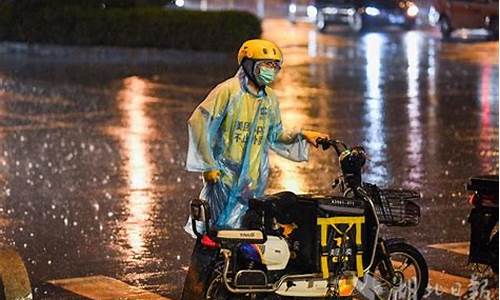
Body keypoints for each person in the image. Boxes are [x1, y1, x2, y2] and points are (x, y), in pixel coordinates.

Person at [181, 39, 328, 299]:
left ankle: (233, 290)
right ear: (249, 65)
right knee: (212, 240)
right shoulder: (227, 91)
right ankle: (194, 293)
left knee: (246, 238)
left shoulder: (270, 100)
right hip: (224, 183)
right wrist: (208, 165)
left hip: (250, 184)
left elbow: (276, 135)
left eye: (275, 65)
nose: (270, 70)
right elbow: (199, 122)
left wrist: (304, 135)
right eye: (266, 64)